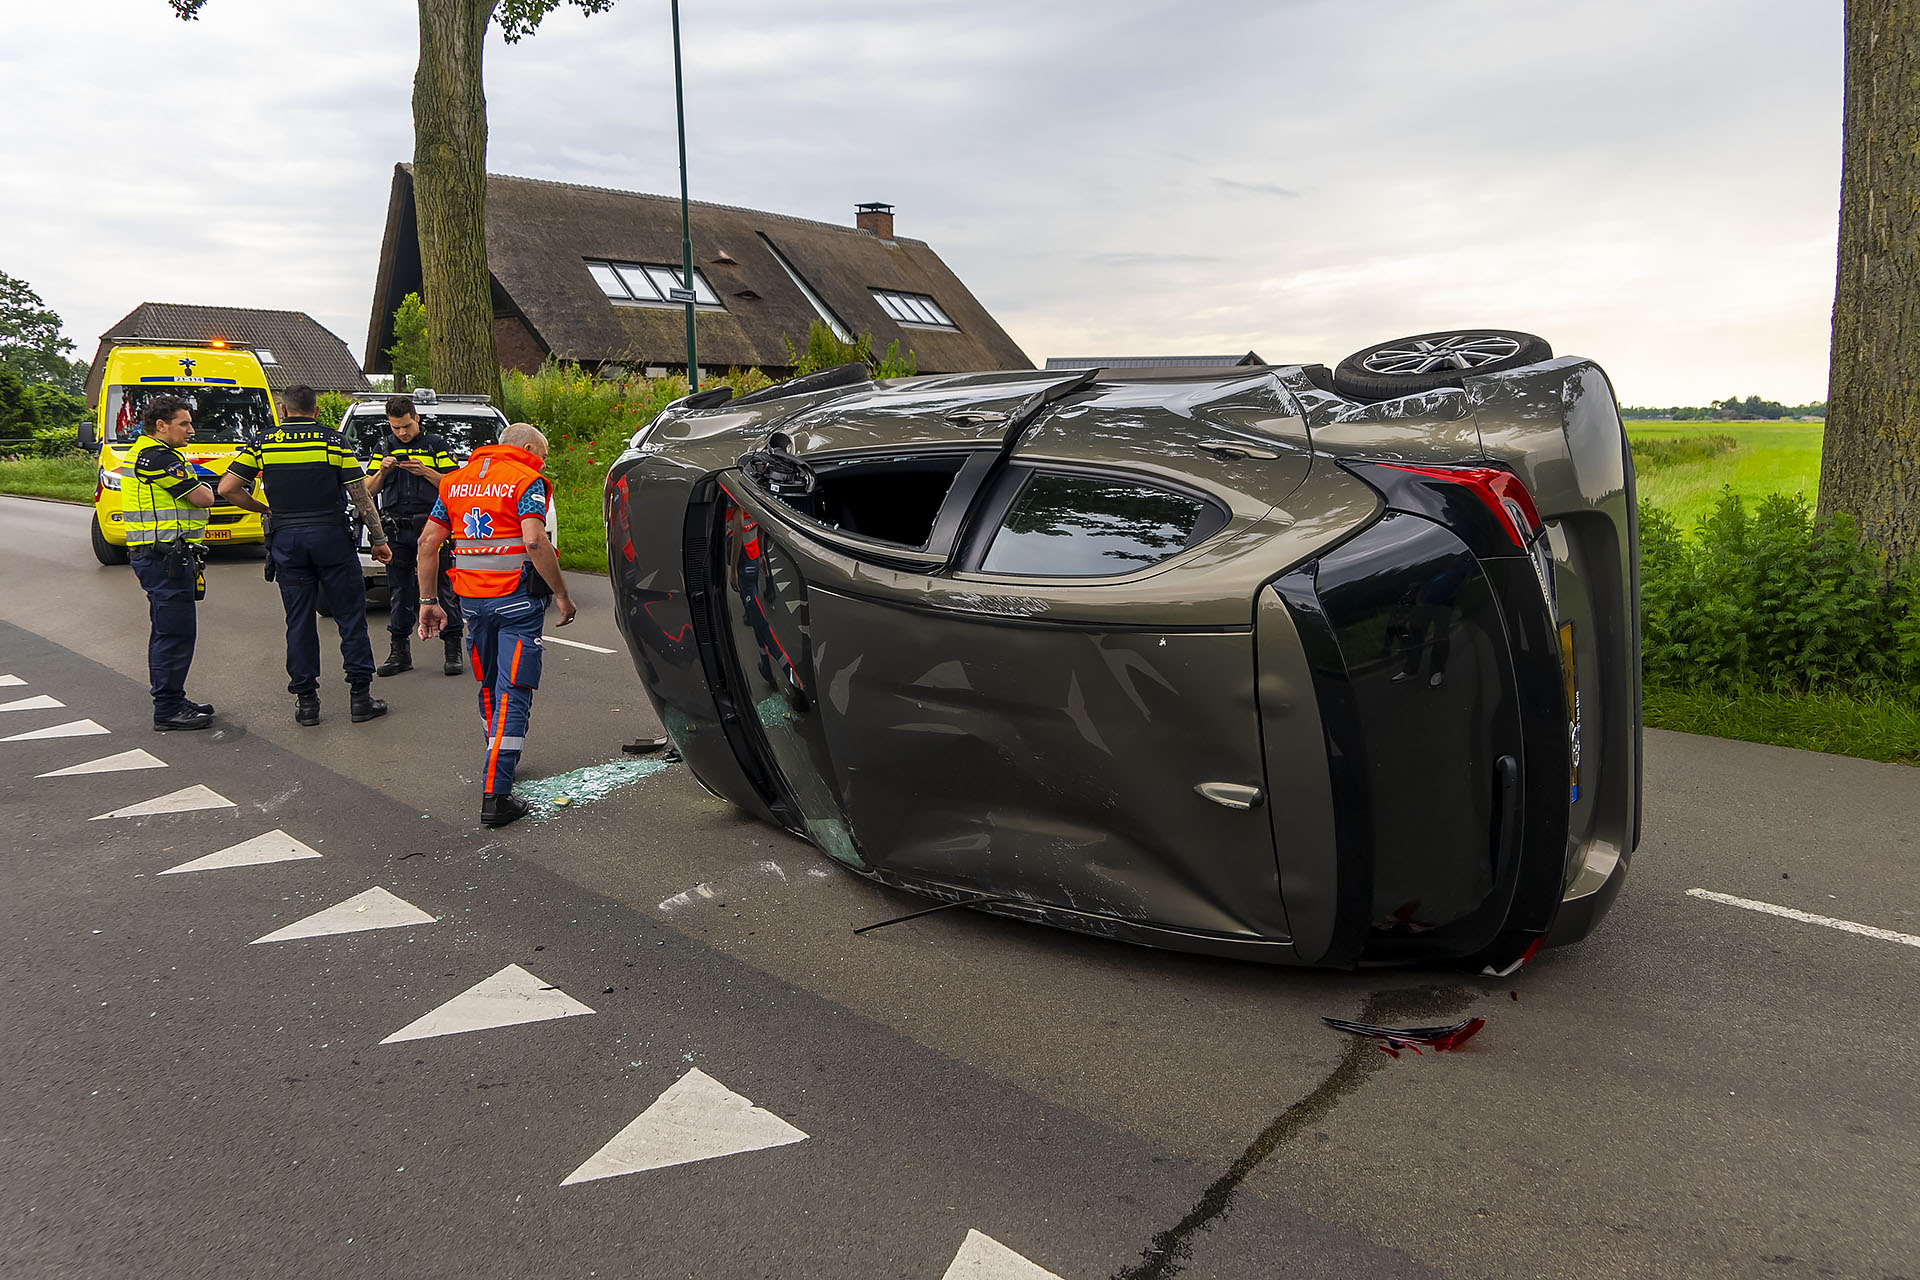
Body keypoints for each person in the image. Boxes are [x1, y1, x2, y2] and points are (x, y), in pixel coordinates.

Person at [416, 422, 578, 827]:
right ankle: (497, 796)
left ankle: (497, 757)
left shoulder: (453, 483)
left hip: (472, 602)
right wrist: (561, 594)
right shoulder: (528, 480)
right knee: (515, 690)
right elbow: (535, 541)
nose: (542, 461)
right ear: (526, 447)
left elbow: (426, 544)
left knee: (489, 683)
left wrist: (428, 601)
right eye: (540, 454)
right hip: (518, 601)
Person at [218, 384, 392, 727]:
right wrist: (378, 537)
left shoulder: (261, 443)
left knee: (298, 620)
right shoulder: (333, 442)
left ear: (284, 411)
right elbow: (359, 496)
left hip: (288, 541)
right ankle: (360, 698)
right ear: (315, 411)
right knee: (350, 617)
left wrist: (263, 509)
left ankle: (307, 703)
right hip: (331, 538)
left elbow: (227, 488)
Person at [123, 395, 267, 730]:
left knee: (174, 630)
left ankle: (174, 697)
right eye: (183, 423)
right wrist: (203, 486)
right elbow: (204, 496)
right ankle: (168, 709)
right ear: (161, 425)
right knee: (173, 633)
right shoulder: (155, 456)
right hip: (162, 556)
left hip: (167, 555)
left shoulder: (162, 455)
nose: (191, 429)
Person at [364, 394, 463, 677]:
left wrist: (425, 471)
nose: (402, 433)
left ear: (416, 418)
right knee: (399, 592)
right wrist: (382, 471)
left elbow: (453, 484)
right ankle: (399, 652)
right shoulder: (383, 447)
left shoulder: (436, 445)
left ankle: (452, 648)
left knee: (443, 588)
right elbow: (368, 491)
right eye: (396, 427)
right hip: (396, 528)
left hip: (432, 527)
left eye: (406, 426)